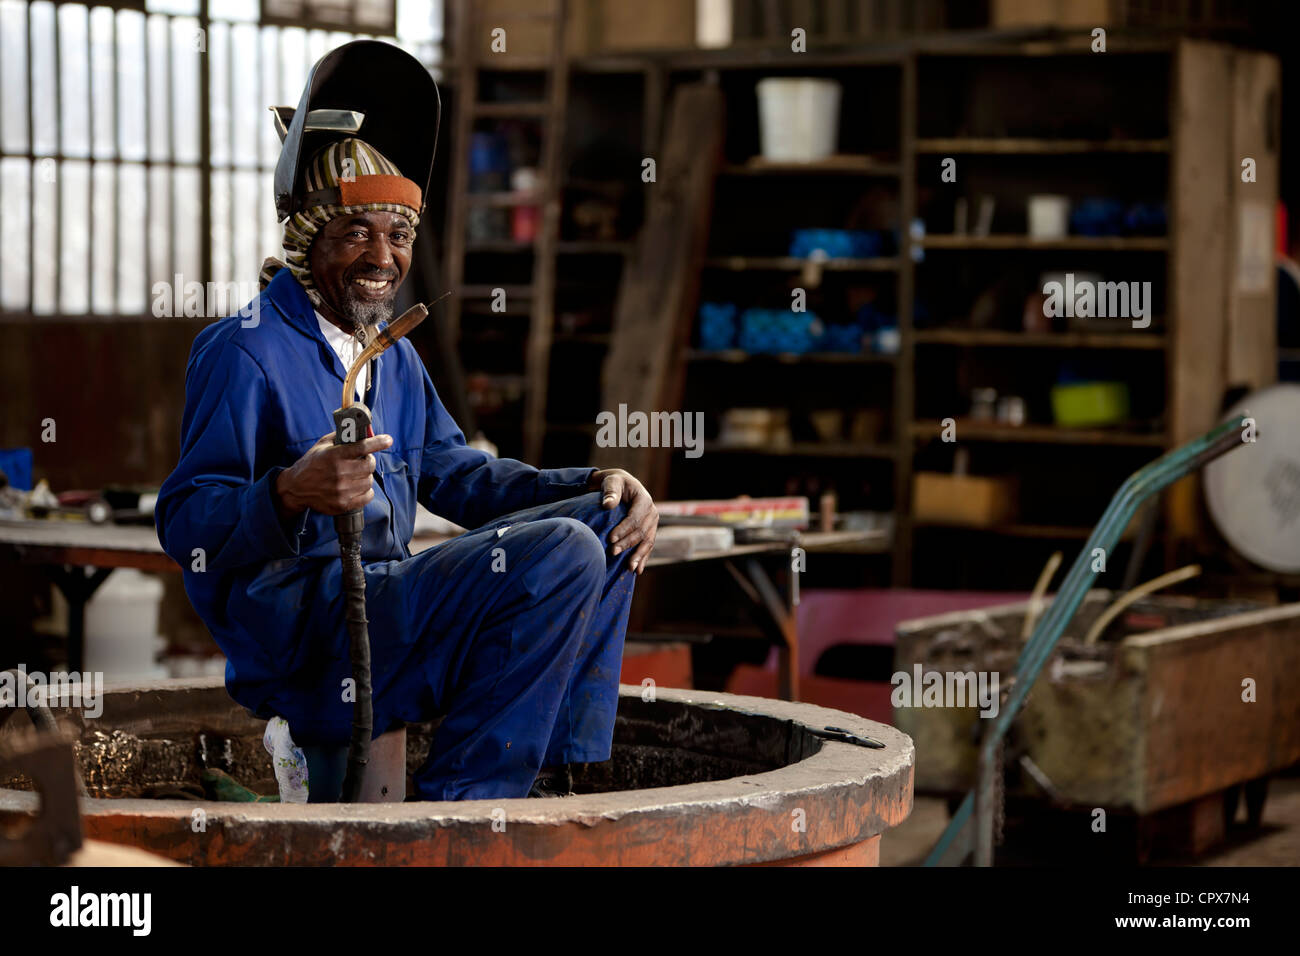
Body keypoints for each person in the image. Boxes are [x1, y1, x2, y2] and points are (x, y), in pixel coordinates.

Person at [155, 45, 658, 801]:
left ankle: (560, 769)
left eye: (399, 234)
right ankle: (460, 809)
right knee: (560, 550)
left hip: (386, 605)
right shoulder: (246, 349)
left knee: (603, 520)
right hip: (311, 637)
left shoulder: (390, 354)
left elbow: (460, 476)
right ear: (307, 237)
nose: (383, 258)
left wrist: (592, 480)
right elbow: (185, 523)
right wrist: (290, 491)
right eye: (357, 231)